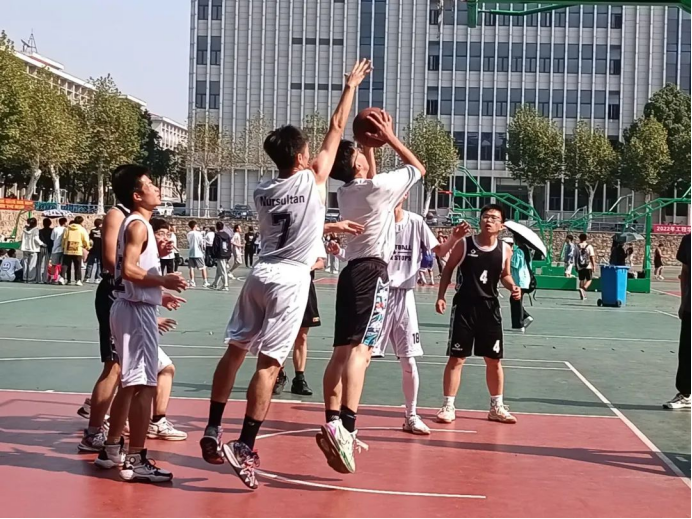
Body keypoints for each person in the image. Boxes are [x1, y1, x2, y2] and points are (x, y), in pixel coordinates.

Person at [200, 59, 373, 490]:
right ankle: (245, 445)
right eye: (308, 151)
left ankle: (212, 426)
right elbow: (337, 125)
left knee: (234, 351)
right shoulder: (312, 179)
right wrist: (350, 86)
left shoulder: (262, 192)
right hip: (291, 279)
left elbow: (293, 223)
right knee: (269, 365)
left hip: (259, 273)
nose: (314, 154)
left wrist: (329, 226)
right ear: (300, 157)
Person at [319, 108, 425, 475]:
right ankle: (348, 428)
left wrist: (367, 148)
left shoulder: (347, 191)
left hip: (350, 273)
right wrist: (388, 136)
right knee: (362, 352)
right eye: (358, 152)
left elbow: (373, 177)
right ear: (357, 164)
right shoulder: (378, 189)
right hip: (373, 273)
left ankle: (332, 421)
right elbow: (418, 168)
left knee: (340, 352)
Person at [78, 168, 188, 454]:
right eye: (150, 183)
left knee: (132, 378)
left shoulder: (139, 222)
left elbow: (131, 264)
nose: (156, 187)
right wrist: (158, 281)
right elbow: (117, 265)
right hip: (120, 297)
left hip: (132, 299)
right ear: (136, 193)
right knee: (121, 372)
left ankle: (113, 444)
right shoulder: (124, 217)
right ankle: (103, 436)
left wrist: (155, 288)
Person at [367, 198, 465, 435]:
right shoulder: (376, 220)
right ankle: (345, 417)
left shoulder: (416, 222)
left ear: (405, 196)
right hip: (378, 294)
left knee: (409, 361)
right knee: (363, 358)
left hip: (405, 296)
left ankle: (411, 416)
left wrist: (454, 237)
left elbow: (440, 251)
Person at [435, 204, 522, 428]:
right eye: (485, 216)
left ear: (501, 225)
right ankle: (448, 405)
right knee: (457, 358)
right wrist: (441, 296)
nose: (488, 220)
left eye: (494, 218)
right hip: (465, 306)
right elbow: (448, 268)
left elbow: (505, 275)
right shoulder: (465, 244)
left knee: (493, 360)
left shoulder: (505, 249)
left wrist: (513, 286)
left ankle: (497, 406)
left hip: (490, 308)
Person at [664, 233, 690, 410]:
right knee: (687, 352)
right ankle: (686, 394)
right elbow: (685, 273)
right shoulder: (688, 241)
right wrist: (683, 302)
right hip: (690, 307)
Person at [510, 236, 534, 332]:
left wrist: (509, 256)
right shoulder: (527, 250)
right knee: (516, 300)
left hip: (520, 279)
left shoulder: (519, 251)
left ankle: (519, 324)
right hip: (525, 278)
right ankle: (525, 317)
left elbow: (514, 264)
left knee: (515, 300)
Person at [61, 216, 90, 286]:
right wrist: (87, 246)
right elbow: (85, 239)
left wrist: (63, 246)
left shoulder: (67, 228)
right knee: (77, 265)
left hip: (68, 249)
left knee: (65, 264)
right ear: (81, 222)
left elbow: (64, 238)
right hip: (77, 249)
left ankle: (63, 278)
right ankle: (78, 280)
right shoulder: (82, 229)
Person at [187, 221, 210, 288]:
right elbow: (201, 243)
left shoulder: (188, 234)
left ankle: (192, 282)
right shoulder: (198, 234)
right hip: (198, 252)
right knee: (203, 267)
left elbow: (189, 242)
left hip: (191, 252)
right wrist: (203, 250)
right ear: (195, 226)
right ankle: (205, 281)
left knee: (191, 268)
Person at [21, 217, 43, 283]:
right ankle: (31, 278)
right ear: (35, 223)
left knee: (25, 264)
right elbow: (36, 239)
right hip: (33, 249)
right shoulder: (35, 230)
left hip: (25, 248)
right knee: (32, 264)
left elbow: (22, 238)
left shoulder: (24, 229)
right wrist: (42, 244)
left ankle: (25, 277)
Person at [212, 221, 233, 290]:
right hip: (226, 253)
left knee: (223, 270)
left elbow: (215, 245)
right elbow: (229, 245)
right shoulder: (227, 235)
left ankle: (225, 285)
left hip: (220, 254)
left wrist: (213, 255)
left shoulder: (217, 235)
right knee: (219, 270)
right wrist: (229, 253)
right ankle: (215, 284)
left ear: (216, 227)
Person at [576, 233, 596, 300]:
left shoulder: (577, 247)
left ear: (579, 238)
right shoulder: (589, 246)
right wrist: (593, 265)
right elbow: (592, 257)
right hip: (588, 266)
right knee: (589, 280)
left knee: (581, 280)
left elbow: (575, 257)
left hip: (580, 266)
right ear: (586, 238)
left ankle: (583, 295)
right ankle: (583, 289)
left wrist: (576, 266)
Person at [50, 217, 67, 284]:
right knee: (62, 265)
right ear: (65, 222)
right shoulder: (66, 229)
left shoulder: (55, 229)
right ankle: (61, 278)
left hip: (55, 249)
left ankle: (52, 278)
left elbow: (52, 238)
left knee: (54, 265)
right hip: (63, 249)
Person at [85, 219, 104, 283]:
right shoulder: (103, 231)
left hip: (92, 249)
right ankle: (97, 278)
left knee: (90, 263)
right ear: (101, 224)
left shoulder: (92, 231)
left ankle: (87, 277)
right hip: (100, 249)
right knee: (99, 264)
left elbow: (89, 239)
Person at [37, 218, 53, 284]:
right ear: (50, 224)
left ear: (43, 224)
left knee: (39, 263)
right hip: (48, 248)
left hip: (41, 248)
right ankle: (45, 279)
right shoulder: (52, 231)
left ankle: (38, 278)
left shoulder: (40, 231)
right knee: (46, 264)